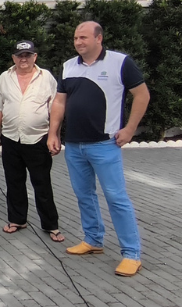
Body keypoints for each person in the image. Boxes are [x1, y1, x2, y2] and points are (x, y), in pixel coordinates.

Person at [47, 21, 150, 277]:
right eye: (75, 38)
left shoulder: (120, 62)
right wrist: (53, 132)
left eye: (83, 37)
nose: (78, 42)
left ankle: (131, 254)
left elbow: (142, 95)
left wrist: (129, 129)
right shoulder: (69, 65)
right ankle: (93, 240)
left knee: (116, 198)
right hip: (74, 145)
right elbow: (60, 102)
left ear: (99, 38)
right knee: (84, 195)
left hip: (105, 144)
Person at [0, 41, 63, 242]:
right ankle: (17, 219)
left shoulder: (46, 77)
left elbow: (56, 106)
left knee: (42, 184)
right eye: (20, 55)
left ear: (35, 57)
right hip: (11, 137)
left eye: (27, 55)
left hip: (38, 138)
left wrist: (54, 135)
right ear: (14, 58)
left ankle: (51, 225)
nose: (24, 59)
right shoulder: (5, 77)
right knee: (14, 182)